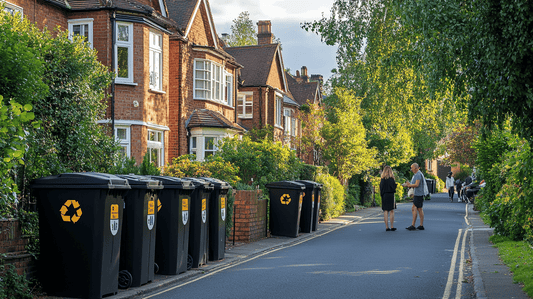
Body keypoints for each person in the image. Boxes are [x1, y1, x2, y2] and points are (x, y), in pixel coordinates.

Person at [402, 163, 425, 230]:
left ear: (415, 168)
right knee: (419, 209)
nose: (411, 169)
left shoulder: (418, 174)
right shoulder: (417, 174)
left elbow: (416, 184)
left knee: (414, 208)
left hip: (418, 194)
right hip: (419, 194)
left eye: (412, 168)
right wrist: (408, 184)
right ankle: (421, 225)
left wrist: (408, 185)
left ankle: (413, 225)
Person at [380, 166, 397, 231]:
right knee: (391, 211)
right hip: (391, 195)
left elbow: (381, 189)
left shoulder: (382, 179)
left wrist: (382, 195)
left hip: (384, 195)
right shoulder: (392, 179)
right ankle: (392, 226)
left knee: (385, 211)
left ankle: (387, 227)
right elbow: (393, 188)